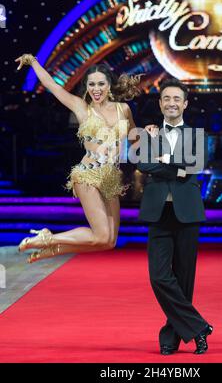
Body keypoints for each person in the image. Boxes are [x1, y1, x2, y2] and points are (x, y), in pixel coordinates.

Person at [14, 54, 156, 263]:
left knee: (108, 241)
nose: (96, 89)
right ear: (87, 87)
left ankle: (52, 249)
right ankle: (49, 238)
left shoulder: (123, 109)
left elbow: (135, 139)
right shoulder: (82, 107)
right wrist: (34, 62)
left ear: (109, 85)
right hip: (88, 174)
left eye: (100, 84)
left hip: (111, 179)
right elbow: (52, 85)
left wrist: (148, 134)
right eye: (91, 84)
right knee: (99, 234)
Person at [135, 77, 213, 355]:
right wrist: (177, 167)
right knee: (158, 276)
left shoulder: (198, 135)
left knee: (184, 278)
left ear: (185, 103)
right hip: (159, 212)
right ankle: (199, 326)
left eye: (176, 98)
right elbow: (142, 163)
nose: (171, 103)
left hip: (188, 213)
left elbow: (195, 165)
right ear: (160, 103)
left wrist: (165, 160)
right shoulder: (148, 134)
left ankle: (173, 337)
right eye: (166, 98)